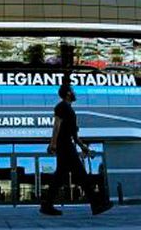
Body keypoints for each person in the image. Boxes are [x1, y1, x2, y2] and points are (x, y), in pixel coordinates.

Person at [40, 83, 114, 216]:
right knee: (81, 175)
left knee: (61, 176)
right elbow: (56, 125)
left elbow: (74, 135)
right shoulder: (61, 106)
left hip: (68, 144)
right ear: (68, 93)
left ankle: (47, 205)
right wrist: (53, 144)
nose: (75, 93)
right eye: (73, 90)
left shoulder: (70, 110)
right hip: (64, 145)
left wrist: (84, 147)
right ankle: (96, 205)